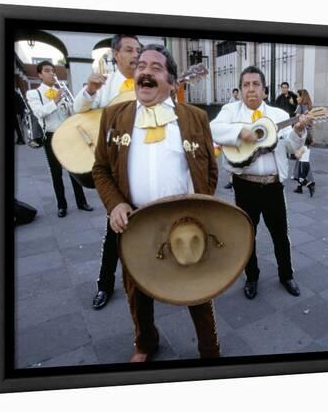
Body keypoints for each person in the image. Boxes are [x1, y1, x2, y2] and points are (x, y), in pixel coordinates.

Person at [92, 44, 220, 362]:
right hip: (135, 221)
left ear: (172, 81)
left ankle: (209, 349)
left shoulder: (195, 117)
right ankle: (146, 343)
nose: (146, 72)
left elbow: (210, 170)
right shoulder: (114, 116)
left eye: (156, 67)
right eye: (141, 66)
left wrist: (202, 207)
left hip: (186, 220)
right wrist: (115, 205)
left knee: (198, 288)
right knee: (137, 289)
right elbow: (101, 169)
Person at [211, 66, 312, 300]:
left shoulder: (279, 116)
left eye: (255, 84)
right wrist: (241, 132)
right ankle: (252, 277)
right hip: (244, 184)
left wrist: (298, 130)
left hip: (273, 185)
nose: (250, 89)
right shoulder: (230, 110)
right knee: (247, 234)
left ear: (264, 90)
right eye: (246, 85)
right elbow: (213, 128)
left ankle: (286, 275)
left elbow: (292, 147)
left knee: (280, 234)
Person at [73, 34, 142, 310]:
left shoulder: (148, 80)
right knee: (115, 227)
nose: (135, 54)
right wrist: (89, 89)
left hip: (141, 162)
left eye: (138, 49)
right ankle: (104, 284)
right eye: (128, 50)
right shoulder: (107, 84)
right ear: (116, 54)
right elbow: (80, 108)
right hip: (114, 167)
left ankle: (152, 281)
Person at [26, 61, 93, 218]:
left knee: (74, 169)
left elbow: (70, 113)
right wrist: (55, 101)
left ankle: (81, 202)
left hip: (67, 134)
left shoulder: (60, 91)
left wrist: (71, 106)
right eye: (48, 71)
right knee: (56, 173)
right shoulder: (33, 94)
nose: (52, 74)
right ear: (40, 75)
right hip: (50, 136)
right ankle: (61, 205)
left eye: (53, 71)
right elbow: (39, 113)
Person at [293, 89, 315, 196]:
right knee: (302, 159)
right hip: (307, 135)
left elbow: (297, 121)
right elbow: (311, 124)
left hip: (301, 136)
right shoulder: (309, 107)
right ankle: (301, 184)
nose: (297, 98)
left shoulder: (301, 107)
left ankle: (307, 183)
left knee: (303, 160)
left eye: (298, 96)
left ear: (302, 97)